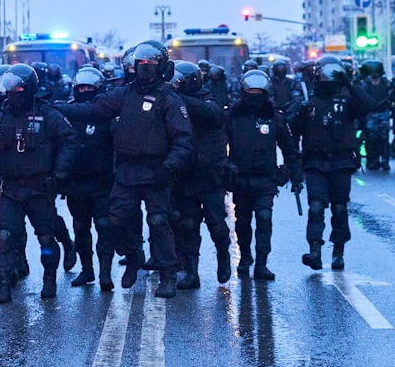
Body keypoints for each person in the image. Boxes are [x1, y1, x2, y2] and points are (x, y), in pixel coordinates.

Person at [55, 41, 193, 298]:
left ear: (161, 67)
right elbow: (93, 109)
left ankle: (168, 276)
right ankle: (132, 256)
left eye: (150, 65)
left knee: (159, 222)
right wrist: (58, 108)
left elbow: (183, 140)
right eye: (141, 65)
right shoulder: (124, 94)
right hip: (127, 170)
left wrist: (170, 167)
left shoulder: (169, 99)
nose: (144, 70)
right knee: (114, 221)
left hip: (156, 171)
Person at [0, 64, 79, 304]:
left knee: (45, 238)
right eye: (10, 88)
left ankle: (50, 278)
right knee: (5, 236)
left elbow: (70, 141)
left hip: (39, 187)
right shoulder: (0, 118)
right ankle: (3, 286)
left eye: (19, 87)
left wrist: (59, 172)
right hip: (9, 189)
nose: (14, 92)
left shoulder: (48, 115)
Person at [293, 56, 373, 271]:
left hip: (342, 161)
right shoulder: (308, 101)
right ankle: (315, 251)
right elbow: (292, 131)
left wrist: (349, 83)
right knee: (316, 206)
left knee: (339, 207)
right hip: (315, 162)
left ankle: (338, 250)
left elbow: (367, 106)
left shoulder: (347, 100)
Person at [227, 69, 302, 280]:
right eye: (250, 90)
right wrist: (222, 169)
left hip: (266, 178)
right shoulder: (232, 116)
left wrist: (295, 176)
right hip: (240, 178)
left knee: (264, 218)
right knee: (242, 221)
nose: (254, 94)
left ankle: (261, 262)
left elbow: (290, 149)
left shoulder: (274, 118)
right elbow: (217, 144)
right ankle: (245, 257)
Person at [168, 61, 230, 289]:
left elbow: (211, 113)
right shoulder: (172, 104)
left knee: (217, 224)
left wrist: (179, 100)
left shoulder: (208, 98)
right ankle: (192, 272)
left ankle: (223, 256)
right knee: (188, 224)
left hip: (210, 174)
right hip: (185, 174)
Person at [61, 67, 116, 289]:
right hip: (75, 183)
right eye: (81, 87)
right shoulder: (67, 113)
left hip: (102, 182)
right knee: (81, 229)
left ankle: (105, 273)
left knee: (104, 227)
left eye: (89, 88)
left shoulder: (108, 113)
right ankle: (87, 270)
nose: (85, 91)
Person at [358, 61, 392, 170]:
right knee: (371, 138)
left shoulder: (386, 83)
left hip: (383, 113)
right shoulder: (365, 84)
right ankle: (373, 160)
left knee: (384, 138)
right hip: (370, 114)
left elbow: (392, 95)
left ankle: (385, 160)